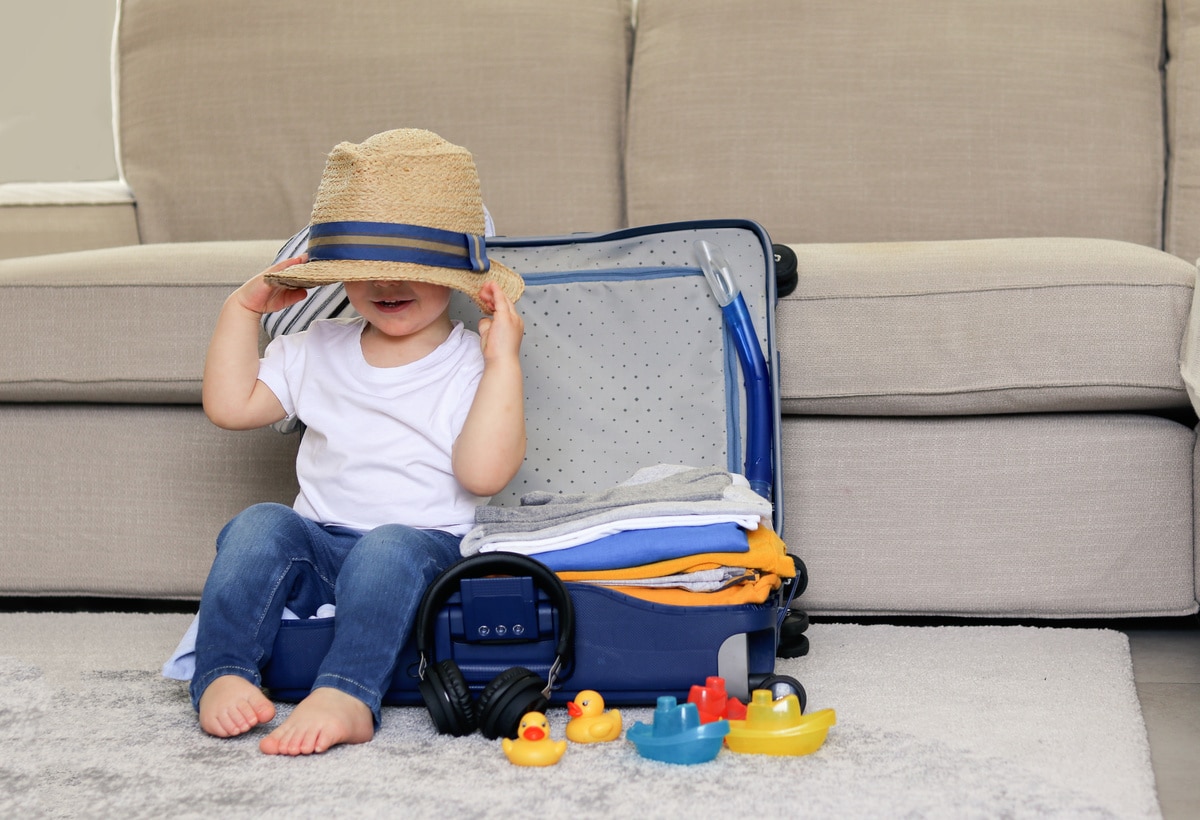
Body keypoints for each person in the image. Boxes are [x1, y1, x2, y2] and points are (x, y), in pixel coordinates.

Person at [191, 128, 526, 756]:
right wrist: (242, 312)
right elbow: (231, 407)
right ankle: (223, 671)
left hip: (422, 550)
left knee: (386, 547)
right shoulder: (316, 347)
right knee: (257, 524)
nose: (383, 282)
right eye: (361, 269)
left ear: (456, 272)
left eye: (408, 268)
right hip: (321, 542)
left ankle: (347, 692)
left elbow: (483, 474)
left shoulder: (470, 364)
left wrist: (503, 359)